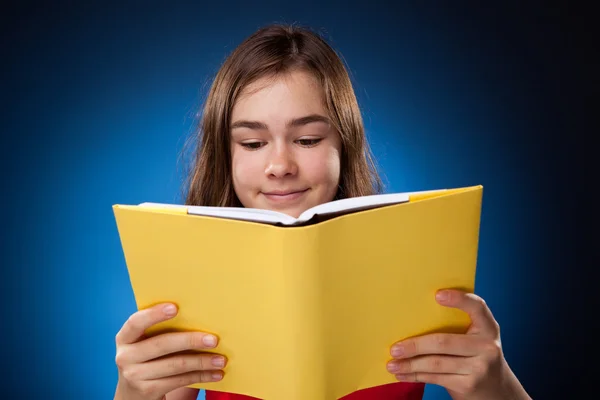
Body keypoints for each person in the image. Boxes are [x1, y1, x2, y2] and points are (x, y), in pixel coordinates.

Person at [113, 24, 532, 400]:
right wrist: (134, 392)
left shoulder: (415, 266)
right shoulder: (189, 278)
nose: (279, 166)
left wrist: (495, 385)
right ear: (226, 154)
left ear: (343, 146)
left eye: (309, 139)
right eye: (253, 143)